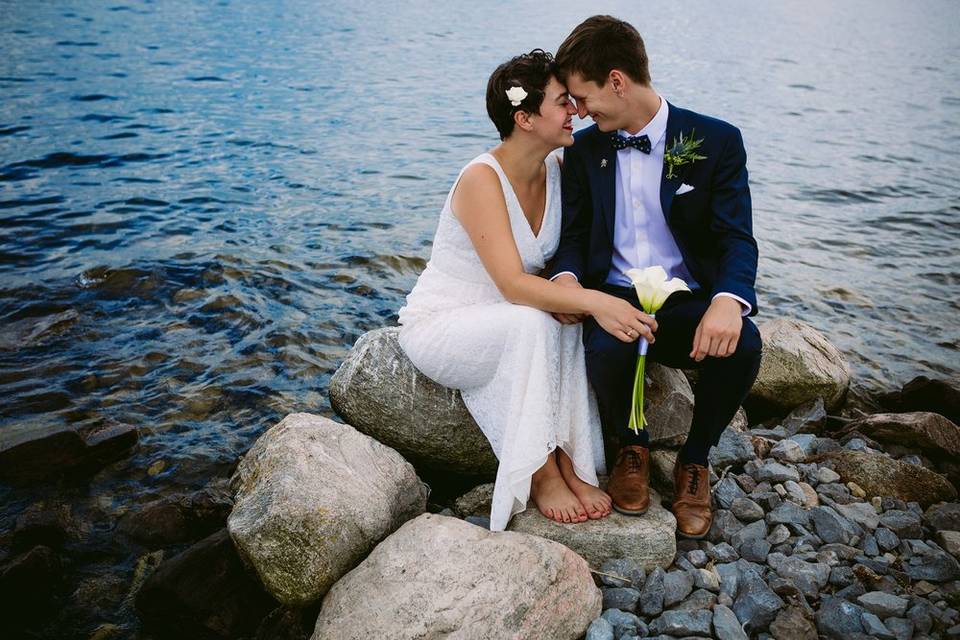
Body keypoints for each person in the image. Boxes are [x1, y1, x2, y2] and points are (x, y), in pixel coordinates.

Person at [397, 50, 658, 532]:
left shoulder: (559, 169)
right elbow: (514, 285)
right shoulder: (481, 178)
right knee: (536, 318)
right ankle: (539, 474)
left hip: (513, 314)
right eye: (562, 102)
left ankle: (567, 460)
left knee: (558, 319)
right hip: (446, 323)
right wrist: (600, 302)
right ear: (525, 117)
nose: (575, 111)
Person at [547, 16, 763, 539]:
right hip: (615, 294)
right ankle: (631, 447)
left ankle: (695, 462)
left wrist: (729, 300)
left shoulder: (716, 141)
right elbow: (573, 234)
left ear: (617, 81)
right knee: (605, 349)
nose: (577, 111)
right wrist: (569, 279)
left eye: (582, 96)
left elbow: (737, 237)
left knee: (745, 345)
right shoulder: (586, 151)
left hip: (686, 296)